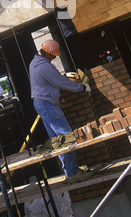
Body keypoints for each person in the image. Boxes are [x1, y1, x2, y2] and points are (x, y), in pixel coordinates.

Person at [29, 39, 91, 178]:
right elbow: (61, 82)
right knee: (66, 136)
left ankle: (69, 170)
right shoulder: (45, 66)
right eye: (53, 56)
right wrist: (81, 88)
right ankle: (73, 172)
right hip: (47, 104)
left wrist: (60, 78)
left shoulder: (35, 62)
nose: (54, 58)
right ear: (49, 54)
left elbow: (52, 79)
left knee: (58, 140)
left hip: (40, 103)